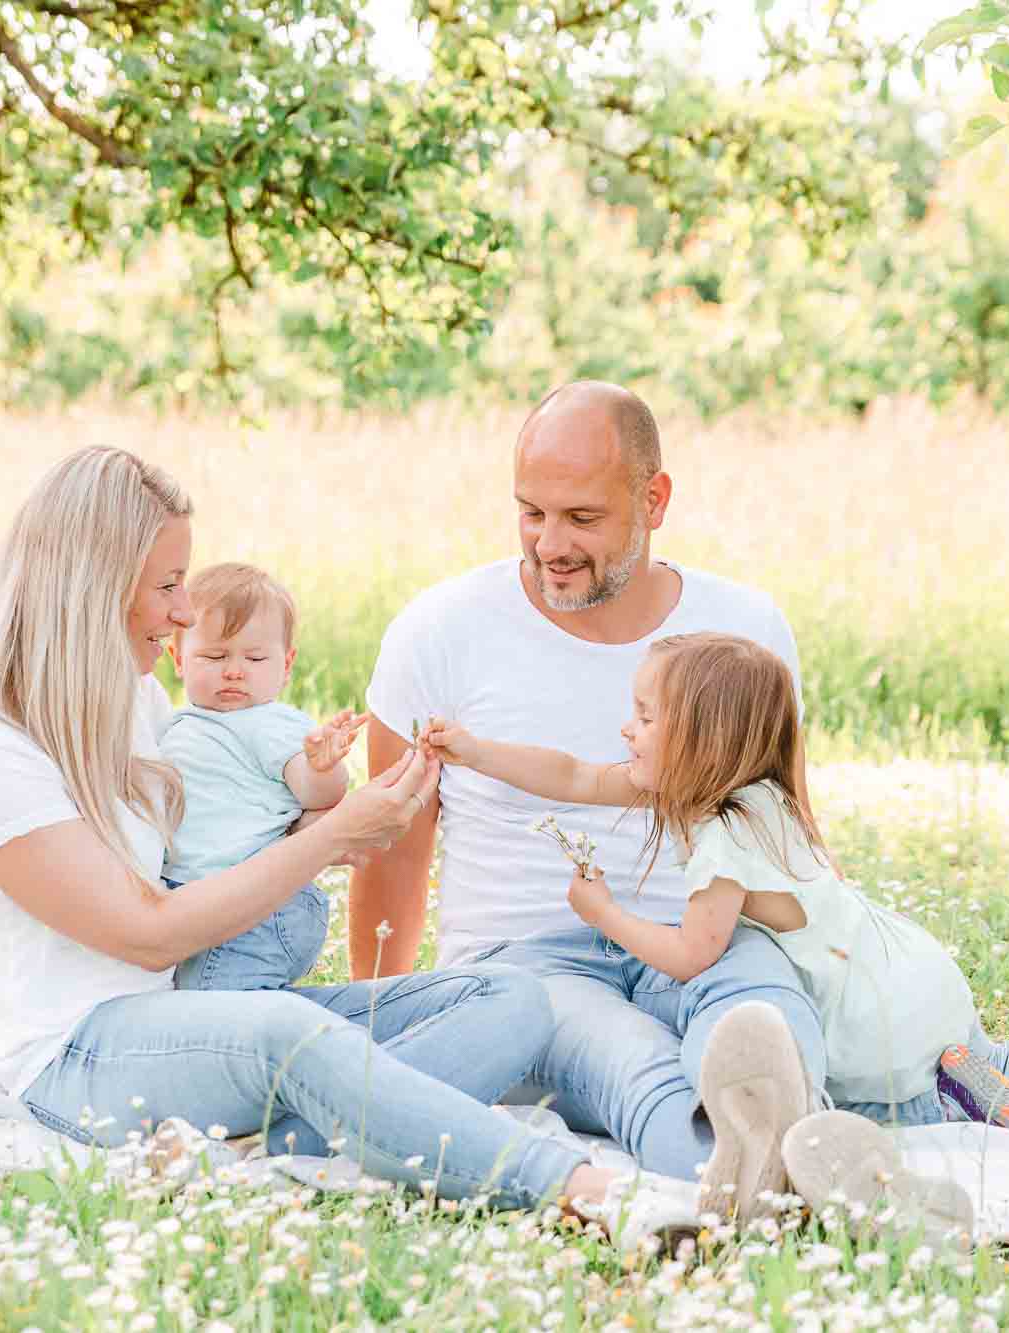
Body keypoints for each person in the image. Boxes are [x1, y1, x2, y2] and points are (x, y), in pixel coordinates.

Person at [0, 445, 694, 1242]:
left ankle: (258, 1147)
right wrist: (329, 841)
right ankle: (590, 1190)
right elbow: (147, 930)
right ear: (93, 582)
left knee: (515, 998)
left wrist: (316, 817)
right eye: (169, 586)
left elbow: (207, 838)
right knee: (288, 1036)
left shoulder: (127, 699)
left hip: (188, 1013)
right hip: (72, 1057)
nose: (182, 614)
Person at [421, 630, 1009, 1138]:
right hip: (907, 973)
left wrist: (604, 912)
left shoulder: (721, 844)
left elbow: (688, 956)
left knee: (891, 1115)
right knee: (988, 1056)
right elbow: (568, 773)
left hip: (857, 1011)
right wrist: (476, 748)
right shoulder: (755, 792)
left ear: (701, 739)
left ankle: (976, 1110)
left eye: (644, 714)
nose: (625, 728)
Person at [351, 381, 836, 1222]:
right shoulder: (439, 631)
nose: (550, 545)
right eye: (530, 513)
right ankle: (725, 1164)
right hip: (528, 967)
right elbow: (392, 850)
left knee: (762, 1006)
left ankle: (810, 1140)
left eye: (581, 517)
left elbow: (780, 824)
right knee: (629, 1056)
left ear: (655, 500)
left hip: (699, 934)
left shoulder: (744, 627)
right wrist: (384, 1037)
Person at [159, 561, 366, 991]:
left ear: (286, 665)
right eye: (214, 656)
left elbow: (315, 794)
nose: (234, 670)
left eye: (255, 658)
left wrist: (322, 767)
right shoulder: (179, 724)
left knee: (218, 1011)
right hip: (205, 902)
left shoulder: (271, 723)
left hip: (265, 907)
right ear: (178, 659)